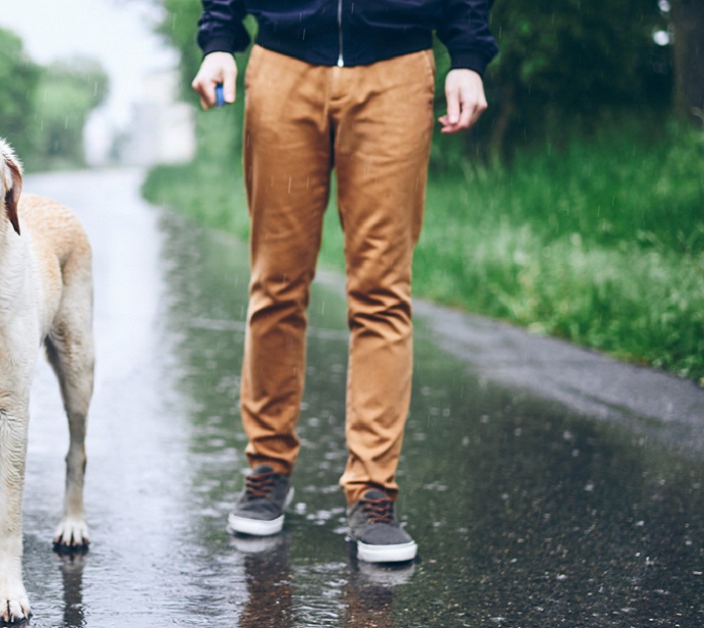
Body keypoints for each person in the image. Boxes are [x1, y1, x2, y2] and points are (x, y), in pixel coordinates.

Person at [191, 1, 498, 563]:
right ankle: (266, 469)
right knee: (277, 284)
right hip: (283, 62)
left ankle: (374, 490)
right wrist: (218, 41)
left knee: (383, 293)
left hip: (398, 66)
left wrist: (469, 51)